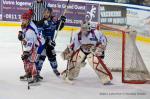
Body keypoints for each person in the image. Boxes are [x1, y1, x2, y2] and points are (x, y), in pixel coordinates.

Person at [35, 7, 66, 77]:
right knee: (41, 58)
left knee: (52, 57)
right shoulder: (41, 22)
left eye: (47, 12)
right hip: (43, 44)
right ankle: (37, 72)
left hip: (50, 44)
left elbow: (59, 27)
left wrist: (62, 21)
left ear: (51, 13)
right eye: (44, 12)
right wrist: (47, 41)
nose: (45, 14)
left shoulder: (54, 21)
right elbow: (39, 35)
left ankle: (55, 69)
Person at [18, 13, 39, 83]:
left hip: (34, 46)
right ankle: (28, 74)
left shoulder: (30, 30)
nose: (23, 21)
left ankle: (35, 76)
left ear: (28, 20)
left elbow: (31, 41)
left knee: (31, 60)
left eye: (24, 20)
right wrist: (21, 36)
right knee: (25, 59)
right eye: (22, 19)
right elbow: (25, 36)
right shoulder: (25, 25)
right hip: (29, 45)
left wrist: (26, 52)